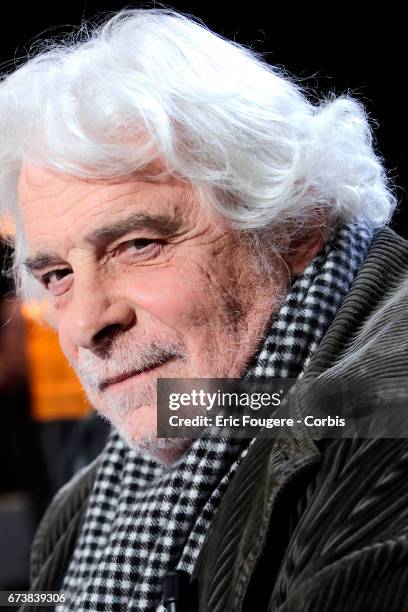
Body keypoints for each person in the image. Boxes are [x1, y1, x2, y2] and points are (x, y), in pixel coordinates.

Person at [0, 8, 407, 611]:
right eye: (57, 275)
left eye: (138, 246)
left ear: (296, 224)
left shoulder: (383, 427)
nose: (85, 323)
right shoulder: (94, 502)